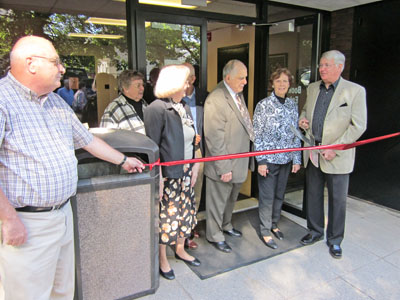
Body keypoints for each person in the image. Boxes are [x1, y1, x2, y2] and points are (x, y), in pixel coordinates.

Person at [0, 35, 145, 300]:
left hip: (63, 214)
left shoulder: (55, 101)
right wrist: (8, 220)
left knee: (63, 291)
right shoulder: (3, 100)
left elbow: (87, 140)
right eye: (56, 62)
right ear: (31, 63)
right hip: (28, 222)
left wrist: (124, 161)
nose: (63, 69)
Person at [298, 50, 367, 259]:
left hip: (337, 155)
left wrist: (335, 148)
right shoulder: (312, 88)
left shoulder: (355, 91)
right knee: (313, 195)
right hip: (313, 152)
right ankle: (315, 231)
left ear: (340, 67)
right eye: (321, 65)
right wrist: (302, 121)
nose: (322, 69)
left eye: (327, 65)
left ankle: (335, 240)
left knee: (337, 200)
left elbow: (358, 126)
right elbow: (305, 112)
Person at [144, 64, 201, 280]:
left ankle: (179, 249)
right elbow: (152, 146)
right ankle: (162, 258)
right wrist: (157, 178)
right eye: (186, 81)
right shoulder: (156, 109)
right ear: (174, 83)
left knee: (185, 213)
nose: (188, 85)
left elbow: (194, 138)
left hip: (186, 172)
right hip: (168, 175)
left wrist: (195, 164)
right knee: (167, 217)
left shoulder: (183, 106)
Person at [204, 59, 254, 253]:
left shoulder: (236, 94)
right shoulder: (216, 99)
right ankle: (214, 235)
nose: (245, 81)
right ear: (228, 78)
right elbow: (214, 137)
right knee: (217, 201)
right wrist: (223, 167)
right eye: (241, 78)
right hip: (224, 165)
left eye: (246, 77)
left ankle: (225, 225)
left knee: (230, 199)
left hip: (238, 162)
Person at [253, 68, 301, 249]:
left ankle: (274, 224)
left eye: (286, 81)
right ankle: (265, 231)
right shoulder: (263, 105)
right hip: (269, 160)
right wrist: (261, 161)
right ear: (272, 83)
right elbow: (257, 134)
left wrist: (296, 159)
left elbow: (296, 134)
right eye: (279, 81)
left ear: (290, 85)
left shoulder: (292, 105)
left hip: (286, 159)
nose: (282, 84)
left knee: (279, 195)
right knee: (267, 197)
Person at [181, 62, 207, 249]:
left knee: (196, 190)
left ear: (193, 78)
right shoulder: (171, 100)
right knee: (183, 192)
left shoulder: (204, 96)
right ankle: (182, 232)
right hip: (181, 152)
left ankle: (191, 225)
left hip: (199, 151)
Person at [100, 70, 147, 134]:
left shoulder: (145, 105)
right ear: (125, 88)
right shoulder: (113, 109)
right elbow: (106, 137)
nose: (142, 88)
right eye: (138, 85)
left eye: (142, 85)